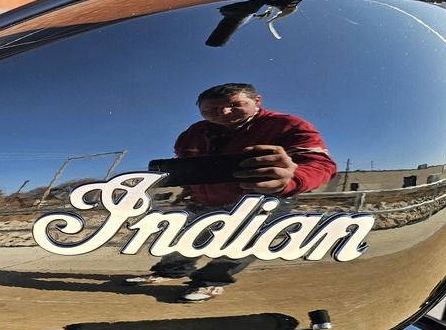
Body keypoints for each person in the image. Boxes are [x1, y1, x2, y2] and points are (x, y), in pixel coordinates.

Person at [127, 82, 336, 302]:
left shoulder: (287, 125)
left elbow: (320, 163)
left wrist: (293, 179)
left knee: (242, 243)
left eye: (235, 105)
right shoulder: (192, 133)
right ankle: (170, 271)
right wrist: (189, 187)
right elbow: (189, 164)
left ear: (257, 101)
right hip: (204, 199)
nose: (224, 113)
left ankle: (210, 281)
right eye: (211, 109)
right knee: (186, 238)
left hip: (261, 200)